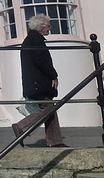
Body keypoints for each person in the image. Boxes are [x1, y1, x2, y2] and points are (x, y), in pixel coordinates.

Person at [12, 14, 67, 147]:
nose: (49, 29)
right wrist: (53, 75)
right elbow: (41, 60)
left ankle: (55, 141)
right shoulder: (35, 39)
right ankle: (22, 127)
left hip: (35, 82)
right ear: (41, 26)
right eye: (48, 26)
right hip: (38, 82)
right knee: (48, 108)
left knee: (49, 108)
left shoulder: (31, 39)